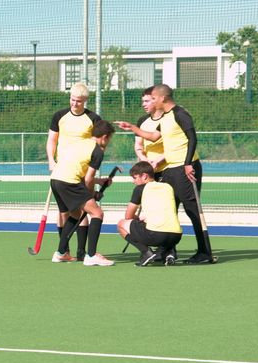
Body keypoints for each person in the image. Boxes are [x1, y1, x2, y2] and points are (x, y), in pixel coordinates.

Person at [115, 84, 214, 264]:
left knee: (192, 210)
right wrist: (132, 127)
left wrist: (187, 164)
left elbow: (193, 138)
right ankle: (165, 251)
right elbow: (153, 137)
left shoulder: (180, 114)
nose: (150, 102)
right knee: (169, 208)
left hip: (186, 168)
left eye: (153, 98)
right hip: (171, 169)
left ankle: (205, 252)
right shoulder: (166, 117)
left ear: (163, 99)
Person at [46, 82, 102, 262]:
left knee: (82, 209)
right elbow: (52, 141)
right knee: (65, 212)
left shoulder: (93, 118)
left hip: (82, 168)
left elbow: (95, 145)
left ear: (85, 101)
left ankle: (81, 250)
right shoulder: (59, 116)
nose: (74, 103)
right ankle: (64, 250)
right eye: (72, 99)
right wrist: (51, 161)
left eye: (78, 101)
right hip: (62, 169)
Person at [49, 120, 116, 267]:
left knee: (75, 214)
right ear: (104, 137)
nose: (108, 142)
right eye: (109, 139)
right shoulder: (98, 151)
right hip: (69, 182)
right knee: (97, 213)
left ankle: (60, 253)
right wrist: (92, 195)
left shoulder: (80, 143)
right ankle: (91, 255)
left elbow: (80, 170)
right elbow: (88, 178)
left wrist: (99, 182)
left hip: (55, 180)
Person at [117, 161, 183, 267]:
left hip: (156, 235)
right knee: (161, 228)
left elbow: (128, 217)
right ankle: (168, 252)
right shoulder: (168, 187)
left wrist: (137, 219)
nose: (133, 181)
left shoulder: (139, 189)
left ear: (144, 176)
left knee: (121, 224)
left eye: (135, 178)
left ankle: (146, 252)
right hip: (176, 236)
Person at [133, 87, 166, 180]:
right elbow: (138, 145)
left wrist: (158, 160)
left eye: (147, 101)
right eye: (143, 101)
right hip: (148, 172)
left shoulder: (169, 119)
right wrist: (144, 160)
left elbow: (175, 147)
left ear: (156, 100)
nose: (143, 104)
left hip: (168, 169)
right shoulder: (142, 121)